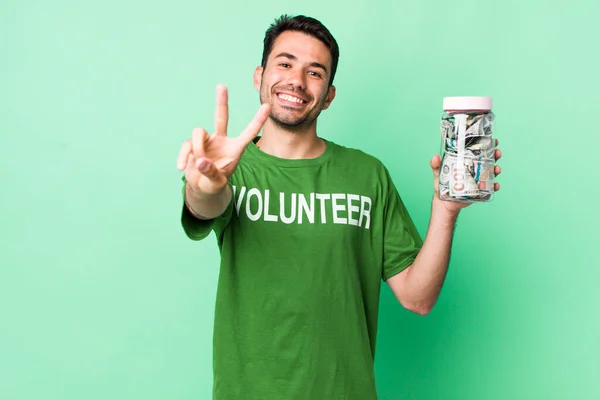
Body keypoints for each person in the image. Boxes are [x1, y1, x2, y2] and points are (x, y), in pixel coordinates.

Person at [176, 14, 502, 400]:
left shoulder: (367, 174)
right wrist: (204, 184)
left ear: (328, 95)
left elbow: (418, 298)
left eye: (315, 72)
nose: (296, 80)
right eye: (285, 64)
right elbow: (206, 203)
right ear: (259, 76)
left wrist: (445, 211)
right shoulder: (230, 169)